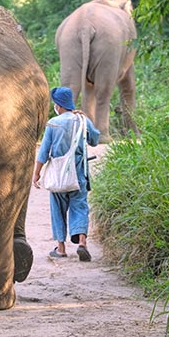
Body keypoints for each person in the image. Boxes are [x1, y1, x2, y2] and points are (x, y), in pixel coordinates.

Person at [33, 86, 100, 261]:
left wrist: (36, 174)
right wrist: (85, 119)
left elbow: (43, 153)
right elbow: (95, 139)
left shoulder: (53, 124)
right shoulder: (82, 120)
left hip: (58, 177)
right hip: (79, 176)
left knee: (58, 210)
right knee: (80, 207)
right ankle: (82, 243)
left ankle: (61, 248)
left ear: (59, 106)